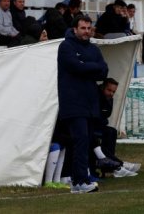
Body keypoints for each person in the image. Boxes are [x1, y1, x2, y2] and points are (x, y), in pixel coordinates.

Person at [57, 15, 108, 194]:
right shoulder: (66, 47)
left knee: (84, 143)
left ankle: (77, 180)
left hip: (90, 102)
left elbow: (104, 71)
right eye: (83, 28)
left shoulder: (94, 48)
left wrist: (86, 66)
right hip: (73, 103)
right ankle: (80, 181)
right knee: (80, 141)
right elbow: (75, 67)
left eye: (89, 28)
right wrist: (92, 67)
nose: (86, 32)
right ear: (75, 29)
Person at [94, 78, 141, 177]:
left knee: (112, 132)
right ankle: (119, 164)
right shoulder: (95, 96)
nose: (111, 94)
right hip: (92, 126)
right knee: (102, 138)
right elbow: (98, 115)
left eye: (113, 92)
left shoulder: (109, 99)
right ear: (103, 87)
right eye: (109, 90)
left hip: (100, 125)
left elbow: (107, 114)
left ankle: (111, 166)